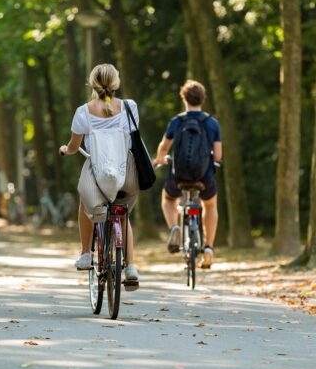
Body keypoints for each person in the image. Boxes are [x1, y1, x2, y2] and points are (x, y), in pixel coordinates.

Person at [59, 63, 140, 288]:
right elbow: (131, 138)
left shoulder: (83, 112)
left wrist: (66, 150)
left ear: (92, 84)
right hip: (126, 173)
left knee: (85, 201)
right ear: (116, 83)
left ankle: (86, 254)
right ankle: (131, 266)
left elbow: (74, 146)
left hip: (98, 171)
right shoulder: (130, 107)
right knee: (122, 213)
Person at [153, 80, 222, 269]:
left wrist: (160, 159)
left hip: (179, 176)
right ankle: (208, 248)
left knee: (168, 199)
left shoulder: (177, 121)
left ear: (184, 98)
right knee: (210, 204)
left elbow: (164, 147)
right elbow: (217, 155)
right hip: (204, 177)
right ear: (202, 99)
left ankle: (174, 227)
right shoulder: (212, 123)